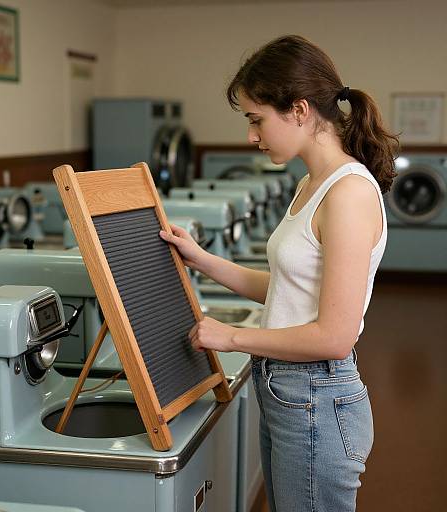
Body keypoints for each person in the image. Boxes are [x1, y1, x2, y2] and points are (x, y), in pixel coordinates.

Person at [160, 34, 399, 511]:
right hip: (288, 392)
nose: (252, 135)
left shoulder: (347, 193)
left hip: (316, 396)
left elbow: (335, 335)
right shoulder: (311, 184)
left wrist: (231, 338)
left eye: (256, 119)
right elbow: (288, 290)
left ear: (300, 109)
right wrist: (201, 258)